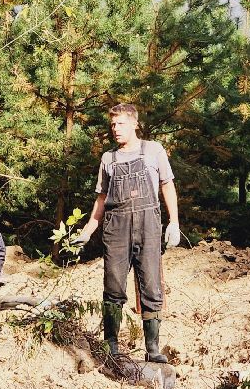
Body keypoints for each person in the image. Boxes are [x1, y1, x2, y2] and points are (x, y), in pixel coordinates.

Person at [74, 103, 180, 363]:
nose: (115, 129)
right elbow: (101, 198)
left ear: (134, 124)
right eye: (112, 125)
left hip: (149, 225)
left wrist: (174, 222)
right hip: (116, 228)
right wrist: (89, 229)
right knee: (113, 287)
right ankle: (111, 345)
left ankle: (152, 349)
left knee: (152, 286)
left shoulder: (153, 150)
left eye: (120, 124)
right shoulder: (108, 159)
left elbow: (167, 186)